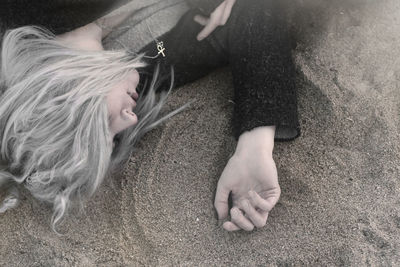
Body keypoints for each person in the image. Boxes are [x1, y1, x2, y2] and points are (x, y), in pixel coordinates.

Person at [0, 0, 300, 233]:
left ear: (67, 97)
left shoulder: (28, 8)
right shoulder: (150, 67)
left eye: (104, 124)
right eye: (114, 140)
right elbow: (257, 14)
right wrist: (255, 147)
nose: (130, 121)